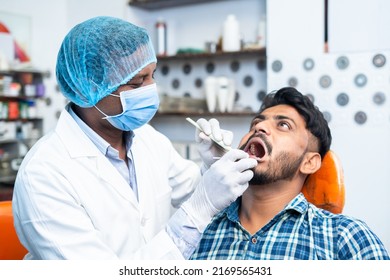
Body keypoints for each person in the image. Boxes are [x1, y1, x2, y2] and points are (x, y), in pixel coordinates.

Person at [11, 16, 257, 260]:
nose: (152, 89)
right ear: (90, 90)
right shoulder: (43, 175)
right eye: (137, 82)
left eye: (152, 75)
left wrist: (210, 169)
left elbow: (195, 193)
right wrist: (197, 211)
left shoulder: (148, 139)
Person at [191, 87, 390, 260]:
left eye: (283, 125)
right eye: (255, 123)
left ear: (309, 162)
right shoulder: (199, 226)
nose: (259, 127)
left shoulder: (345, 237)